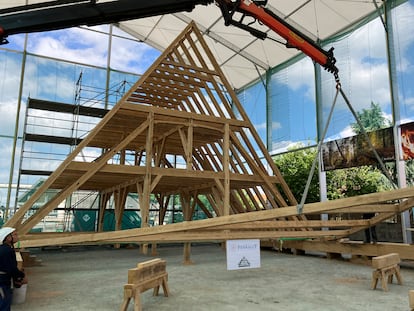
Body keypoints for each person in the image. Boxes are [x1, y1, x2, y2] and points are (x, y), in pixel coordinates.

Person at [0, 227, 26, 310]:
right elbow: (11, 268)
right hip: (2, 282)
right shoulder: (6, 250)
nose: (17, 236)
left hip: (3, 280)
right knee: (4, 305)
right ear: (7, 237)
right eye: (15, 235)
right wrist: (21, 276)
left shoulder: (5, 249)